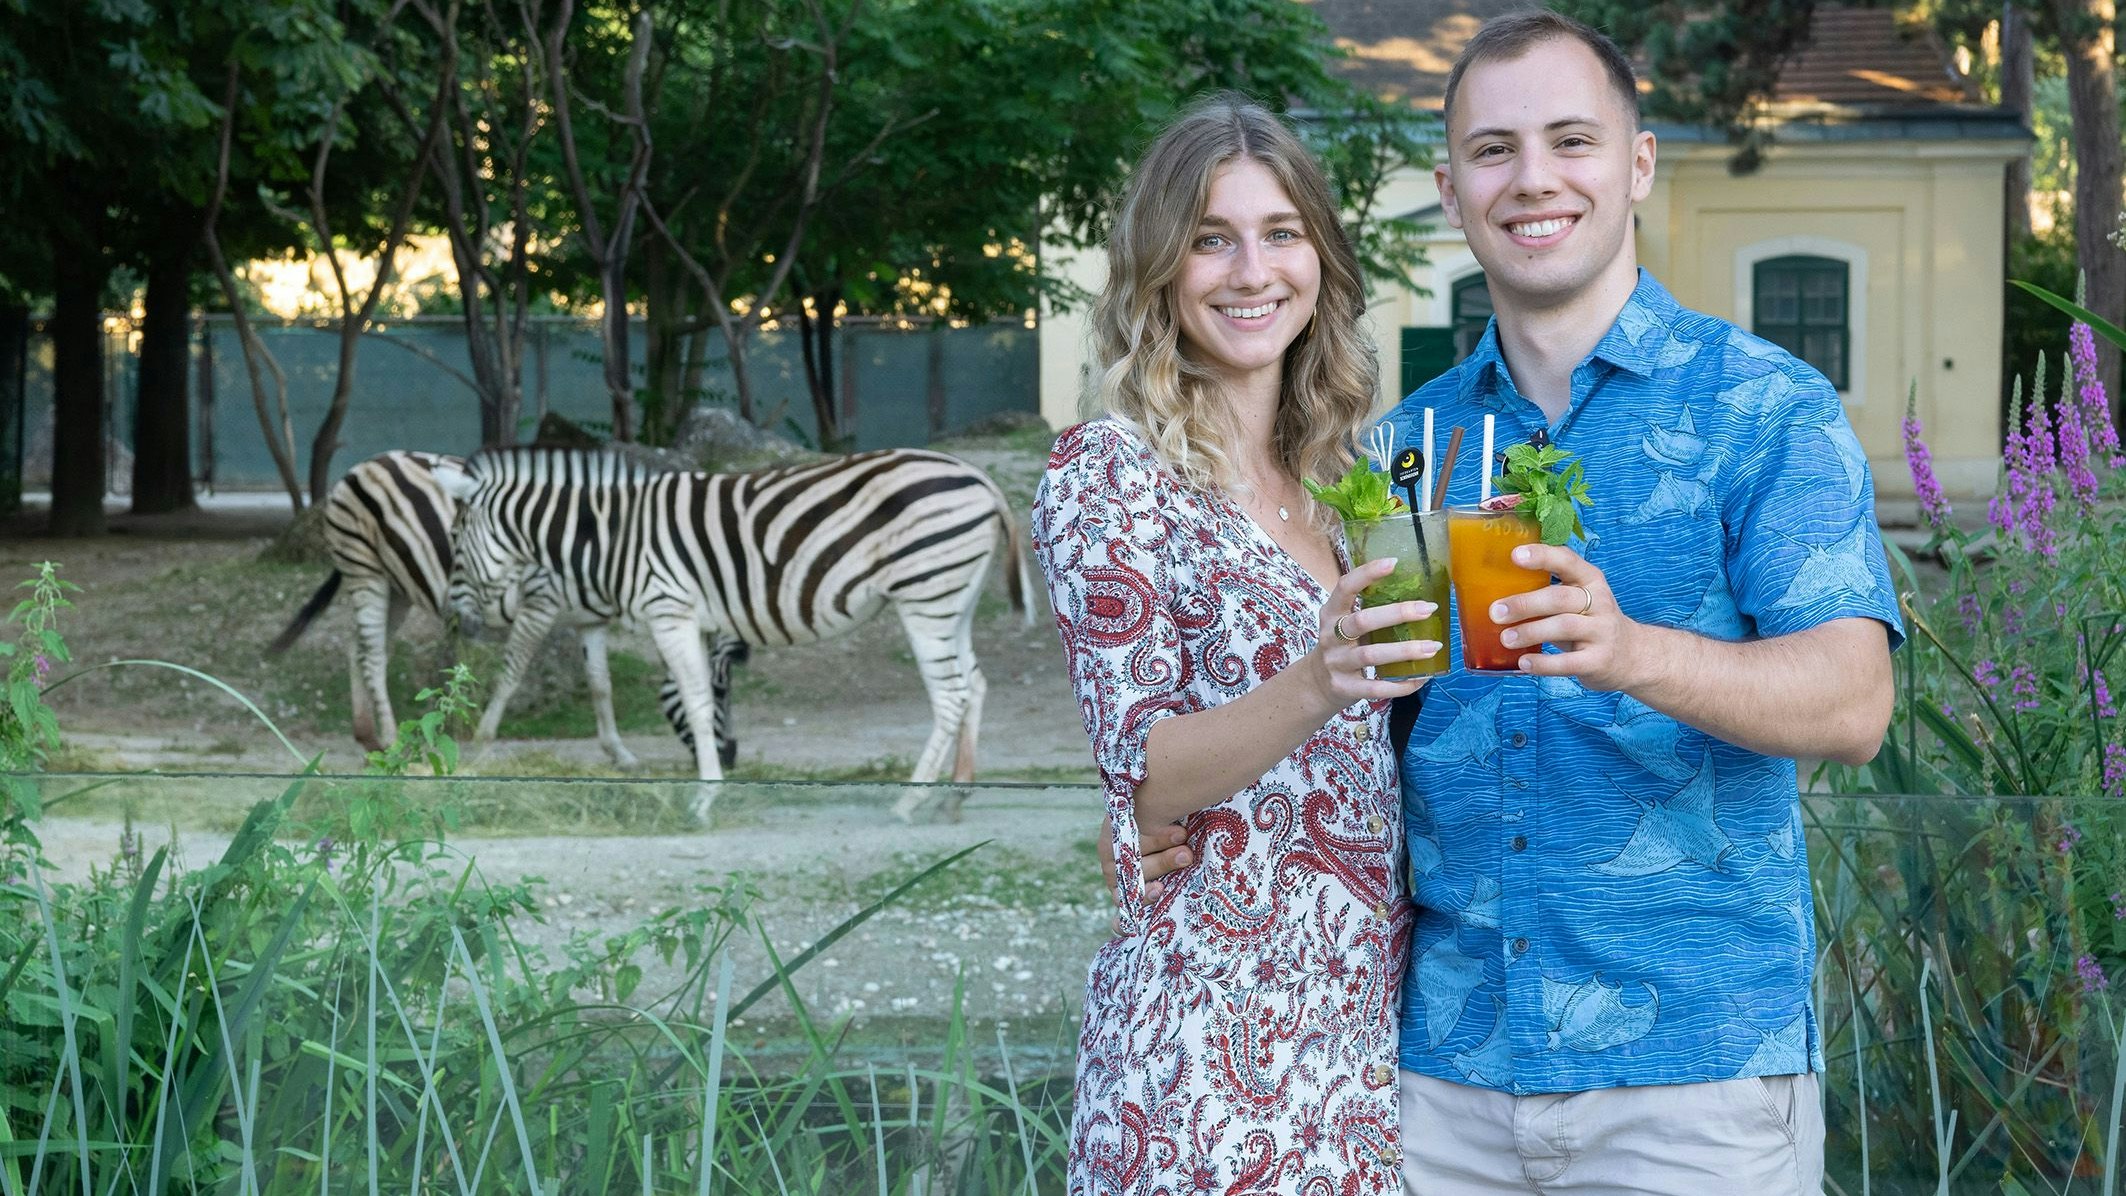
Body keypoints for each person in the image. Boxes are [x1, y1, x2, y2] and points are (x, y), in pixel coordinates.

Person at [1373, 13, 1899, 1194]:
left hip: (1695, 1084)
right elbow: (1381, 720)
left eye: (1571, 140)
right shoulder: (1407, 443)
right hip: (1442, 1081)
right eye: (1493, 149)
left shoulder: (1763, 406)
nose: (1532, 178)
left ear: (1637, 165)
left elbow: (1853, 703)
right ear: (1450, 189)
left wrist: (1626, 652)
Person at [1033, 94, 1441, 1194]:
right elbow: (1143, 770)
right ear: (1159, 268)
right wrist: (1320, 678)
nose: (1250, 271)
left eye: (1280, 234)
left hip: (1358, 1046)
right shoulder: (1107, 472)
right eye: (1211, 239)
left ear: (1320, 259)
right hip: (1200, 1052)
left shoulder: (1351, 481)